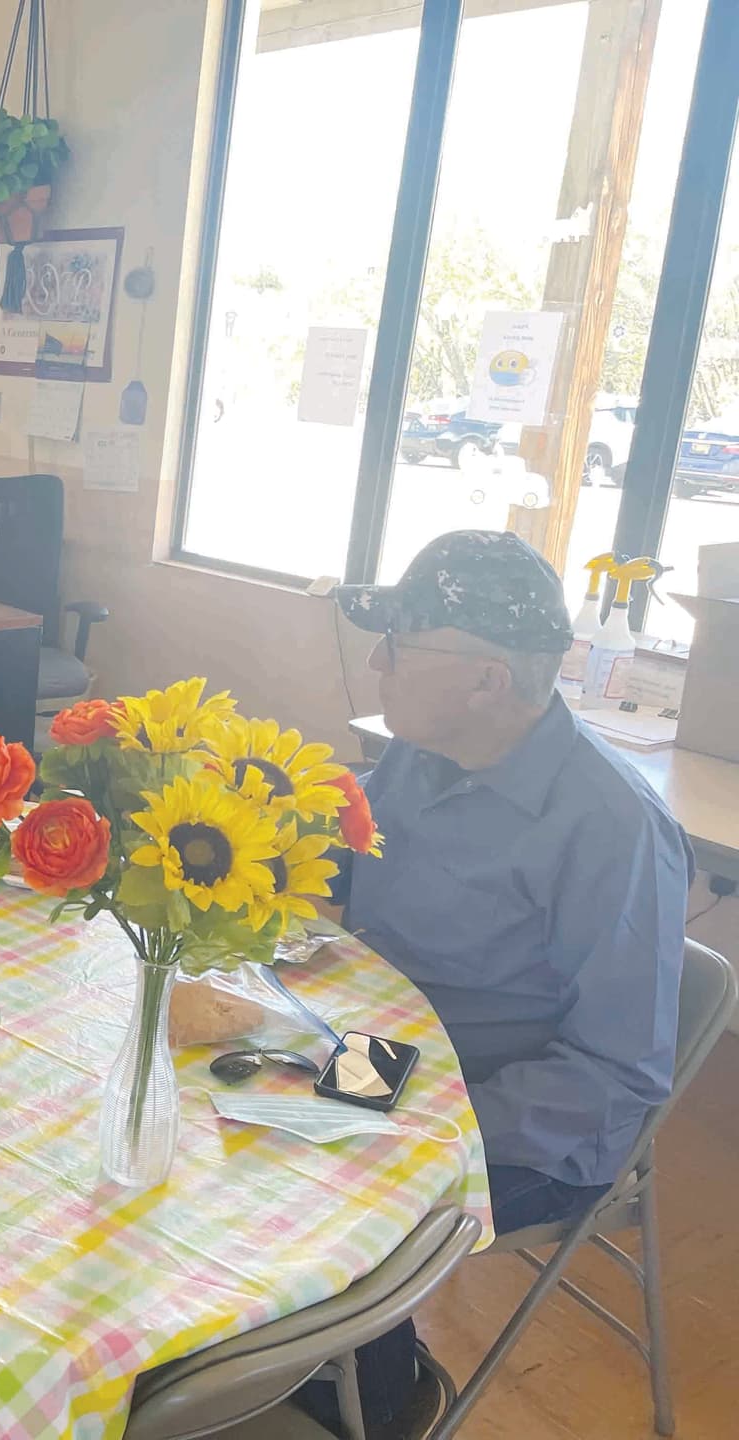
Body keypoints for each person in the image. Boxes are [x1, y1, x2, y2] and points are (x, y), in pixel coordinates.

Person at [310, 530, 692, 1435]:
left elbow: (616, 1077)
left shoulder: (610, 828)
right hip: (389, 1059)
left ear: (488, 680)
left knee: (318, 1180)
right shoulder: (420, 753)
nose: (376, 662)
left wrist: (421, 1122)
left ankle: (376, 1400)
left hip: (514, 1121)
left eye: (399, 644)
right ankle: (300, 1362)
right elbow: (352, 870)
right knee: (214, 1115)